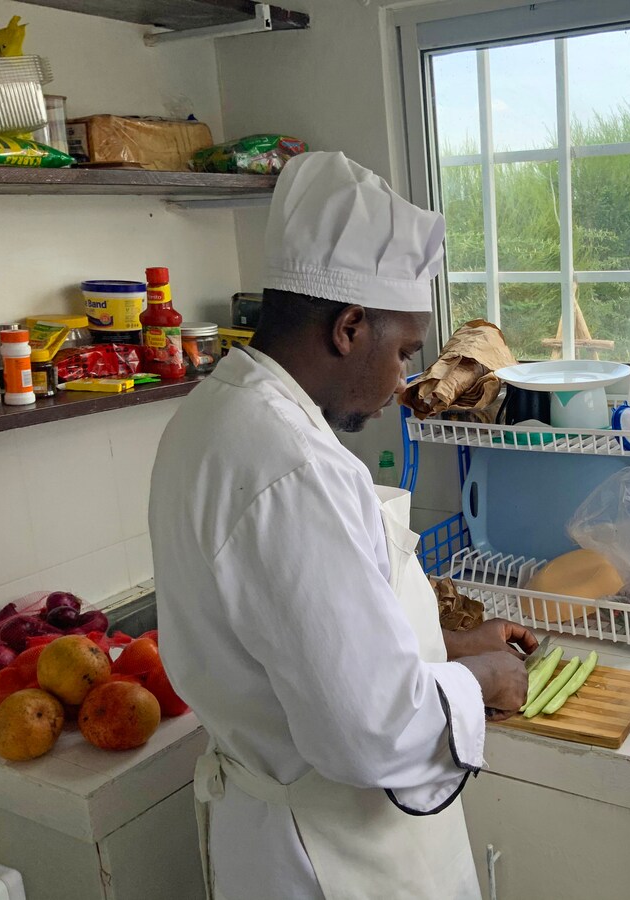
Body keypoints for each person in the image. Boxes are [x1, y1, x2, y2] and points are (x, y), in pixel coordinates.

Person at [148, 151, 535, 900]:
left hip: (270, 830)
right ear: (349, 326)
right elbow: (372, 729)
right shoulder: (293, 468)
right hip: (335, 857)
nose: (404, 381)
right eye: (404, 352)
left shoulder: (214, 413)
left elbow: (301, 650)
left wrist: (445, 646)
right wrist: (480, 681)